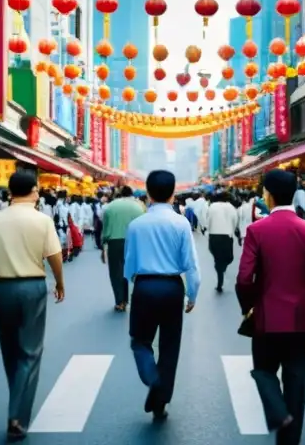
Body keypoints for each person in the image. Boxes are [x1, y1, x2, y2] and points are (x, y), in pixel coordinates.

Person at [237, 170, 305, 445]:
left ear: (267, 194)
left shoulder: (257, 230)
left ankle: (278, 413)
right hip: (303, 315)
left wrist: (249, 306)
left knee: (264, 370)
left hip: (267, 315)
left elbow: (244, 278)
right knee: (296, 377)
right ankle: (290, 439)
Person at [0, 171, 65, 442]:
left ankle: (17, 400)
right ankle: (16, 415)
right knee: (30, 352)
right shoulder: (42, 220)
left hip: (4, 288)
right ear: (36, 191)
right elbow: (54, 255)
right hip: (32, 288)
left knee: (10, 351)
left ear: (10, 191)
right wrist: (60, 283)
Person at [123, 170, 200, 422]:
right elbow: (191, 264)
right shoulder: (181, 223)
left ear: (147, 193)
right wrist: (192, 293)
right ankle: (161, 400)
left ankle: (152, 378)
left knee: (140, 341)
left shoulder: (136, 225)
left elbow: (129, 264)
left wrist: (137, 283)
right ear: (173, 193)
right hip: (172, 288)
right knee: (169, 347)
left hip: (145, 286)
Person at [103, 186, 146, 312]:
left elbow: (106, 229)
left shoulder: (110, 207)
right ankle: (135, 298)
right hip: (134, 242)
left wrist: (103, 244)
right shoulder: (139, 207)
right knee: (134, 271)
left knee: (116, 273)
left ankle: (120, 301)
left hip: (115, 242)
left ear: (120, 194)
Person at [207, 191, 239, 292]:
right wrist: (234, 230)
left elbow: (207, 220)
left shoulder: (212, 206)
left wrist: (207, 230)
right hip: (227, 236)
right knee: (229, 258)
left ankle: (220, 270)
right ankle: (221, 275)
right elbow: (235, 220)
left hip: (213, 236)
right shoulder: (231, 207)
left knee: (217, 258)